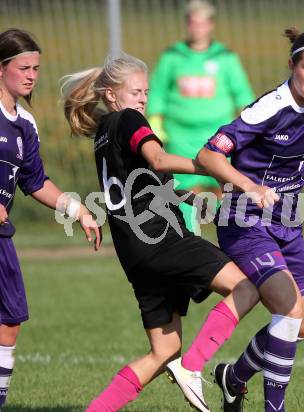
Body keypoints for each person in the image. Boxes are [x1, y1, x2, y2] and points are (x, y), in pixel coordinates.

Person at [60, 52, 259, 412]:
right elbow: (159, 161)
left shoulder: (104, 133)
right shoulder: (128, 120)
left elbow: (153, 180)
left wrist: (189, 196)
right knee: (246, 287)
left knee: (163, 350)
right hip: (161, 239)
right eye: (136, 91)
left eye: (147, 92)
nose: (143, 99)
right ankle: (194, 366)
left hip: (135, 254)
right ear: (112, 95)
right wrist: (215, 168)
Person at [197, 27, 304, 412]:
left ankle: (234, 376)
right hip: (244, 220)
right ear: (291, 64)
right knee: (288, 312)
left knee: (301, 327)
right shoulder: (267, 109)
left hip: (287, 222)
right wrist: (249, 186)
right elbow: (209, 155)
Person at [0, 28, 101, 408]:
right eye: (23, 67)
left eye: (36, 68)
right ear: (1, 68)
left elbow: (35, 181)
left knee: (9, 322)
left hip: (2, 236)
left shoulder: (25, 123)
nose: (31, 76)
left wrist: (79, 211)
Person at [147, 0, 254, 233]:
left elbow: (243, 95)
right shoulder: (172, 57)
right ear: (187, 24)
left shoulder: (225, 58)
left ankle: (232, 239)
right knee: (183, 191)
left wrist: (250, 128)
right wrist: (155, 124)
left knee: (225, 189)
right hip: (179, 136)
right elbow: (157, 92)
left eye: (202, 23)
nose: (197, 28)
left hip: (218, 136)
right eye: (193, 23)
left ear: (211, 25)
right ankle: (189, 240)